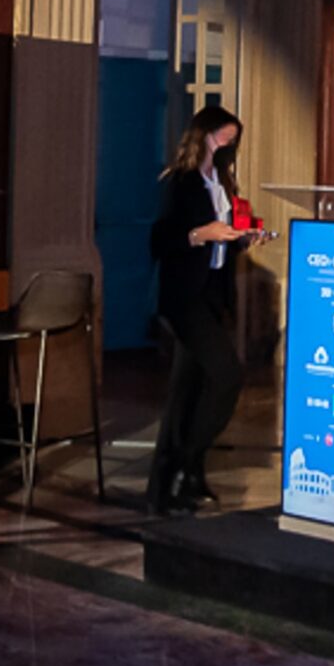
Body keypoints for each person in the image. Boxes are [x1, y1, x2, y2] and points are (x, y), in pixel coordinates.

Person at [146, 104, 252, 515]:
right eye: (225, 137)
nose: (230, 145)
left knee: (186, 391)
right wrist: (198, 234)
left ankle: (175, 482)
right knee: (227, 375)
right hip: (185, 297)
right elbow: (161, 240)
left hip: (211, 294)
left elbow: (223, 240)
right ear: (205, 135)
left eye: (234, 140)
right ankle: (186, 462)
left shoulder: (221, 183)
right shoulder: (180, 181)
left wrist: (243, 238)